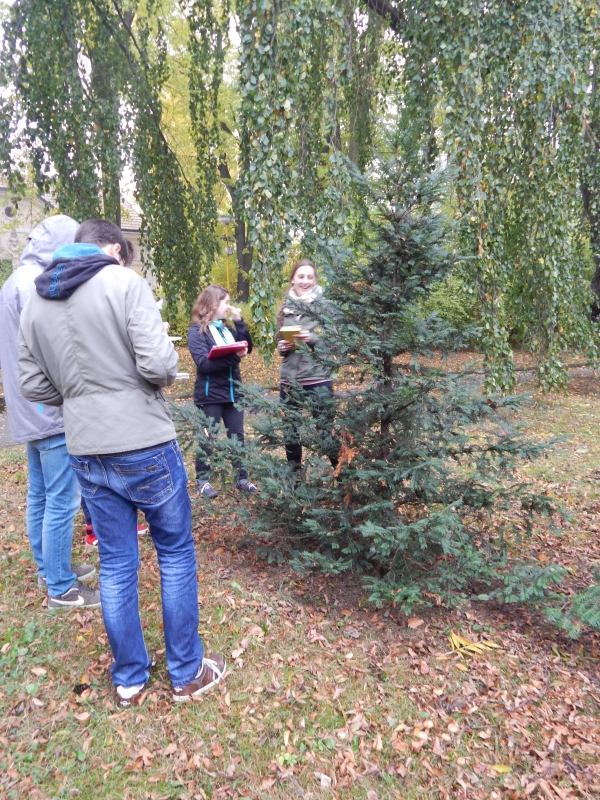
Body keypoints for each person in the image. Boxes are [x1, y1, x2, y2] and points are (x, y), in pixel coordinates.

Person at [18, 219, 225, 705]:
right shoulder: (124, 283)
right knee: (173, 551)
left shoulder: (36, 299)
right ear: (113, 248)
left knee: (114, 562)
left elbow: (31, 386)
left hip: (85, 446)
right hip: (143, 441)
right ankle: (186, 672)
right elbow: (159, 365)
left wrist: (76, 396)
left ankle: (130, 678)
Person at [0, 215, 99, 608]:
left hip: (25, 409)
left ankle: (49, 567)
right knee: (62, 497)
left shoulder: (13, 281)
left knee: (40, 492)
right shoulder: (37, 285)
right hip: (48, 409)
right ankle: (60, 587)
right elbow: (53, 346)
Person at [187, 285, 257, 498]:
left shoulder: (226, 329)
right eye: (226, 302)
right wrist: (234, 357)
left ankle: (242, 478)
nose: (228, 306)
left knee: (238, 436)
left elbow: (247, 347)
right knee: (209, 438)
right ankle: (203, 480)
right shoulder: (196, 331)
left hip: (233, 392)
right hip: (210, 395)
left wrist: (239, 322)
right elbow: (204, 364)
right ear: (213, 304)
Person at [276, 259, 339, 470]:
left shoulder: (325, 306)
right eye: (300, 276)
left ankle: (342, 478)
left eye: (309, 277)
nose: (305, 281)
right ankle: (295, 481)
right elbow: (279, 342)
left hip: (317, 378)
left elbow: (335, 342)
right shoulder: (285, 307)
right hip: (290, 380)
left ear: (315, 279)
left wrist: (310, 338)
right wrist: (283, 347)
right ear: (292, 279)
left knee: (325, 430)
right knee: (291, 433)